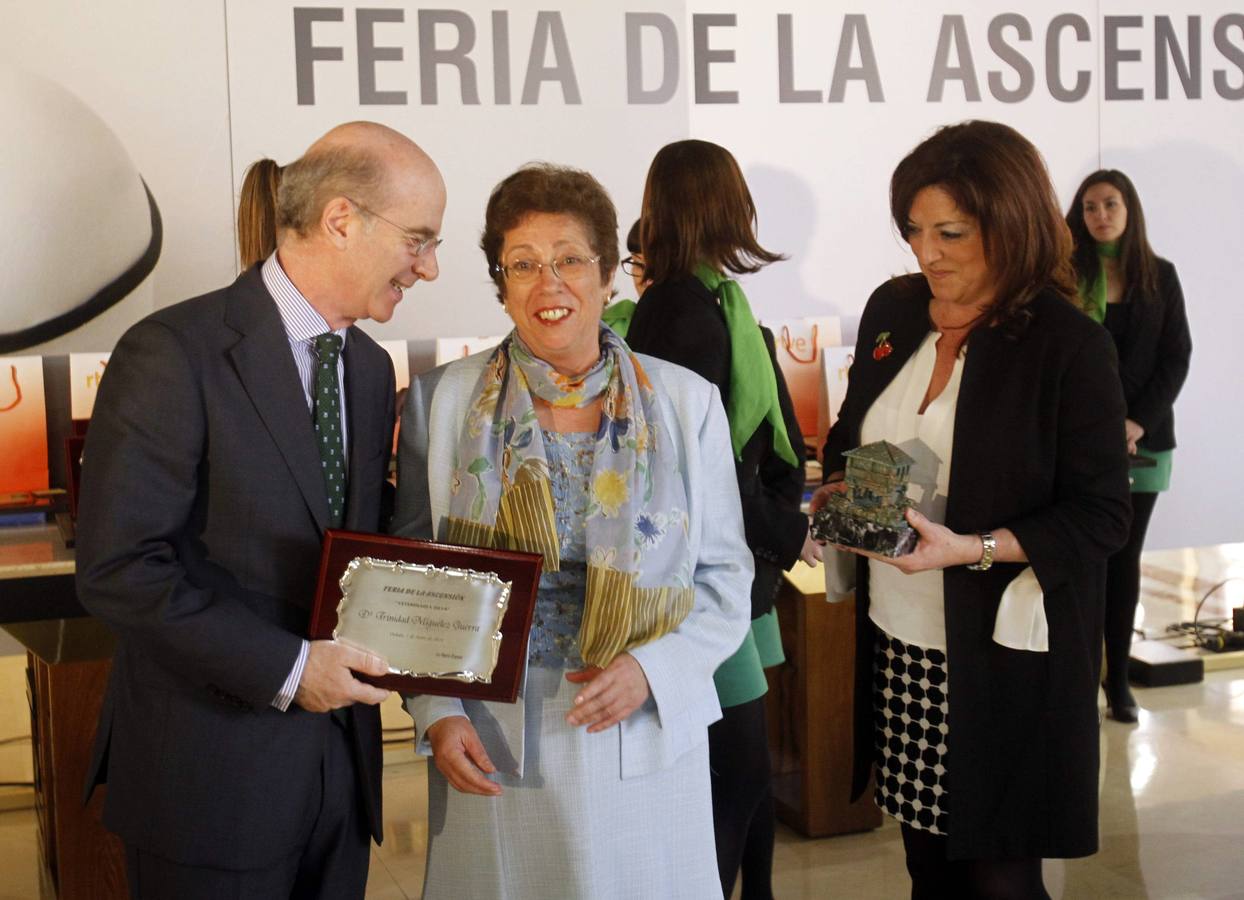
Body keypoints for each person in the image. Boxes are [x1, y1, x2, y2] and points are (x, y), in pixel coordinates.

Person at [75, 121, 445, 899]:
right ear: (343, 220)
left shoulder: (372, 370)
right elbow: (120, 569)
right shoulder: (172, 351)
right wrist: (289, 669)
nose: (430, 267)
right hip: (208, 787)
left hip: (341, 780)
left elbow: (353, 558)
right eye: (418, 240)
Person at [392, 163, 751, 899]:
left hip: (639, 715)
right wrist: (436, 713)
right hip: (490, 727)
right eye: (522, 264)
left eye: (569, 261)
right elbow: (412, 580)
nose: (547, 283)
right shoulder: (443, 401)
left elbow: (725, 577)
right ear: (500, 283)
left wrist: (654, 671)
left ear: (610, 274)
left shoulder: (686, 403)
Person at [810, 120, 1131, 899]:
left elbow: (1101, 516)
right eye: (914, 231)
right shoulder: (895, 311)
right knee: (928, 865)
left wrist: (972, 547)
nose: (927, 253)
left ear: (1011, 224)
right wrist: (837, 492)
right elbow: (856, 433)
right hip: (902, 640)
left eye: (951, 232)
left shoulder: (1066, 345)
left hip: (1002, 659)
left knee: (999, 876)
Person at [624, 139, 817, 900]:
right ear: (717, 203)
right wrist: (787, 530)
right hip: (712, 573)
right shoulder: (681, 308)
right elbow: (699, 471)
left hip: (741, 564)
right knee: (734, 772)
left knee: (753, 768)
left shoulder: (711, 301)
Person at [1066, 169, 1193, 723]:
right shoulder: (1065, 276)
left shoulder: (1160, 276)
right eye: (1090, 206)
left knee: (1124, 560)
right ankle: (1076, 684)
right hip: (1078, 444)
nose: (1100, 215)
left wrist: (1137, 420)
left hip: (1145, 442)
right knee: (1084, 560)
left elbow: (1176, 357)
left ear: (1129, 209)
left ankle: (1117, 684)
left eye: (1110, 204)